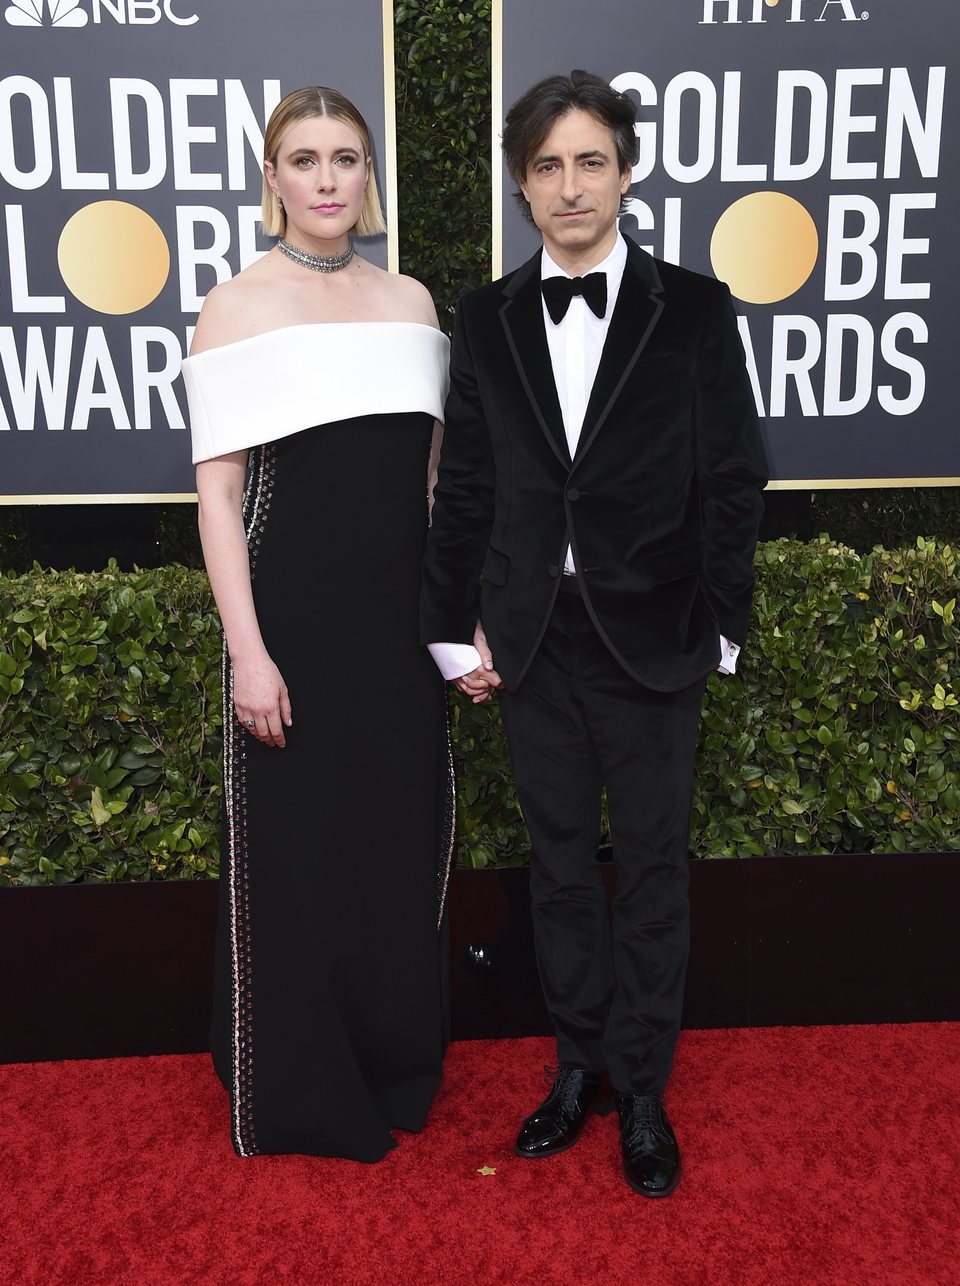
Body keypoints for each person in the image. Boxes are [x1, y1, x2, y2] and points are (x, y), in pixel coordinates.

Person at [421, 70, 768, 1197]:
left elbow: (732, 474)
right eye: (547, 166)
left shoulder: (695, 307)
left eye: (590, 162)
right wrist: (446, 625)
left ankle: (645, 1089)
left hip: (657, 630)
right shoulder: (485, 317)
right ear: (523, 187)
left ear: (626, 172)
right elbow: (464, 485)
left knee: (654, 871)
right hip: (532, 638)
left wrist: (723, 617)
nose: (570, 187)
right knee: (562, 870)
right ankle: (578, 1069)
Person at [181, 86, 452, 1161]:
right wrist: (248, 650)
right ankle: (297, 1084)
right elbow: (216, 494)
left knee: (395, 844)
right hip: (290, 621)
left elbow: (432, 488)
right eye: (305, 159)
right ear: (274, 179)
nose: (328, 179)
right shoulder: (235, 305)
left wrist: (452, 622)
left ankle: (391, 1060)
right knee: (295, 854)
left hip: (397, 626)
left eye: (345, 157)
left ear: (366, 172)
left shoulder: (415, 301)